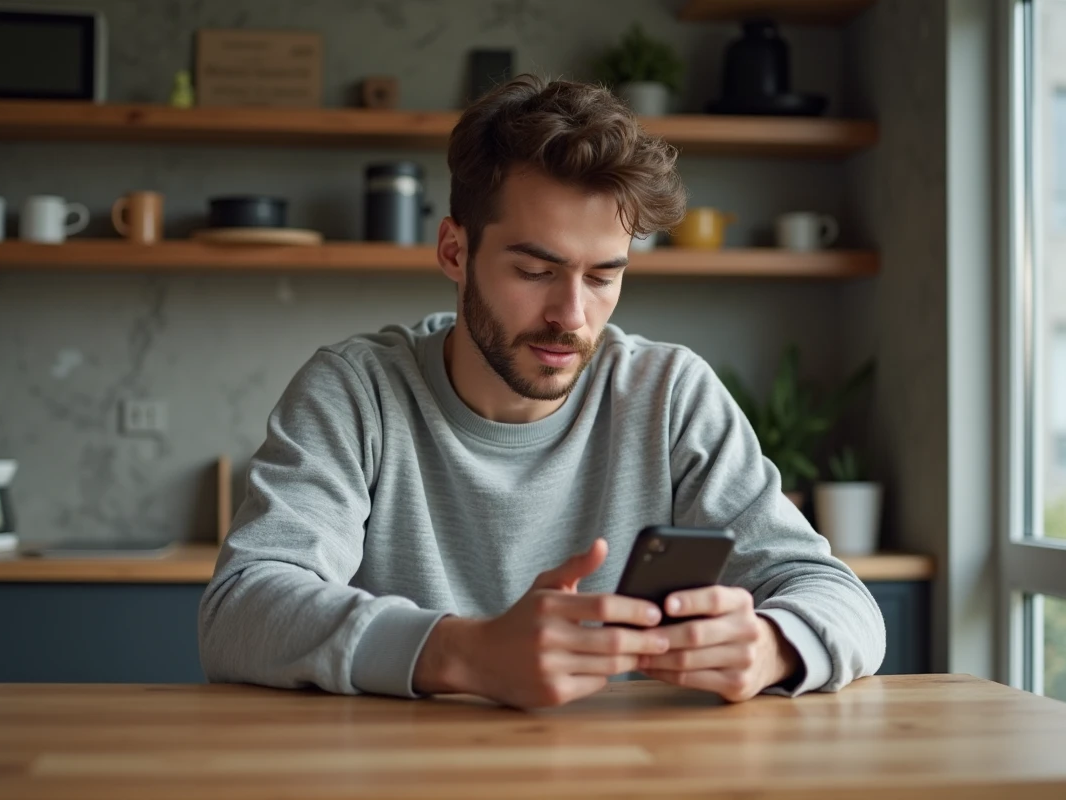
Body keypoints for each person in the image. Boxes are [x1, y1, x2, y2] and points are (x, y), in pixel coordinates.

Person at [198, 74, 885, 710]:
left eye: (603, 276)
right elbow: (240, 609)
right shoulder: (356, 392)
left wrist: (770, 645)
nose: (572, 314)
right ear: (453, 252)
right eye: (535, 270)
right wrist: (463, 653)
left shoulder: (670, 394)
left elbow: (840, 599)